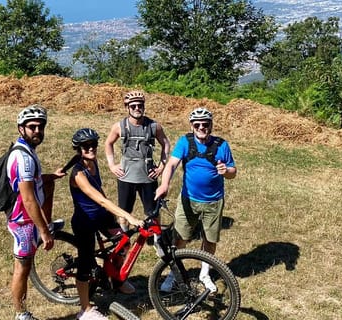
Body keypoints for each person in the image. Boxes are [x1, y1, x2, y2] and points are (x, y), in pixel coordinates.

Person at [154, 107, 237, 293]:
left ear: (211, 125)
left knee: (210, 239)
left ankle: (204, 273)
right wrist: (164, 184)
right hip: (188, 200)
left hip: (214, 201)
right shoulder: (185, 142)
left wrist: (227, 172)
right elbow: (172, 164)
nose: (202, 127)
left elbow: (233, 172)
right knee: (180, 237)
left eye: (205, 124)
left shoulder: (222, 145)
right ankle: (175, 273)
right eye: (197, 124)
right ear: (192, 126)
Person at [65, 128, 145, 320]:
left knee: (124, 242)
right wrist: (129, 216)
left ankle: (115, 280)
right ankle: (84, 310)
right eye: (86, 146)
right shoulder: (78, 174)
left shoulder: (93, 162)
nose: (91, 148)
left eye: (93, 144)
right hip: (85, 222)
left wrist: (116, 215)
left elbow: (100, 192)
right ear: (79, 149)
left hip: (101, 216)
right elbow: (100, 199)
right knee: (85, 267)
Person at [6, 105, 65, 320]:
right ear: (21, 129)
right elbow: (28, 199)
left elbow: (33, 183)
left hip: (27, 219)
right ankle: (20, 314)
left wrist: (51, 176)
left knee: (25, 264)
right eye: (32, 127)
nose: (37, 131)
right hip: (23, 222)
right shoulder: (23, 159)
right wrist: (44, 231)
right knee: (22, 267)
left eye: (41, 127)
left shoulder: (26, 150)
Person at [104, 90, 170, 228]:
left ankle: (156, 239)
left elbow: (166, 144)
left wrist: (161, 167)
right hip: (126, 175)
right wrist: (112, 165)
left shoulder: (154, 126)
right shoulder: (119, 126)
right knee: (124, 212)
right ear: (127, 107)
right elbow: (108, 143)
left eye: (140, 105)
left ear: (144, 106)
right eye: (133, 106)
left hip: (148, 175)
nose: (137, 108)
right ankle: (125, 239)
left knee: (153, 212)